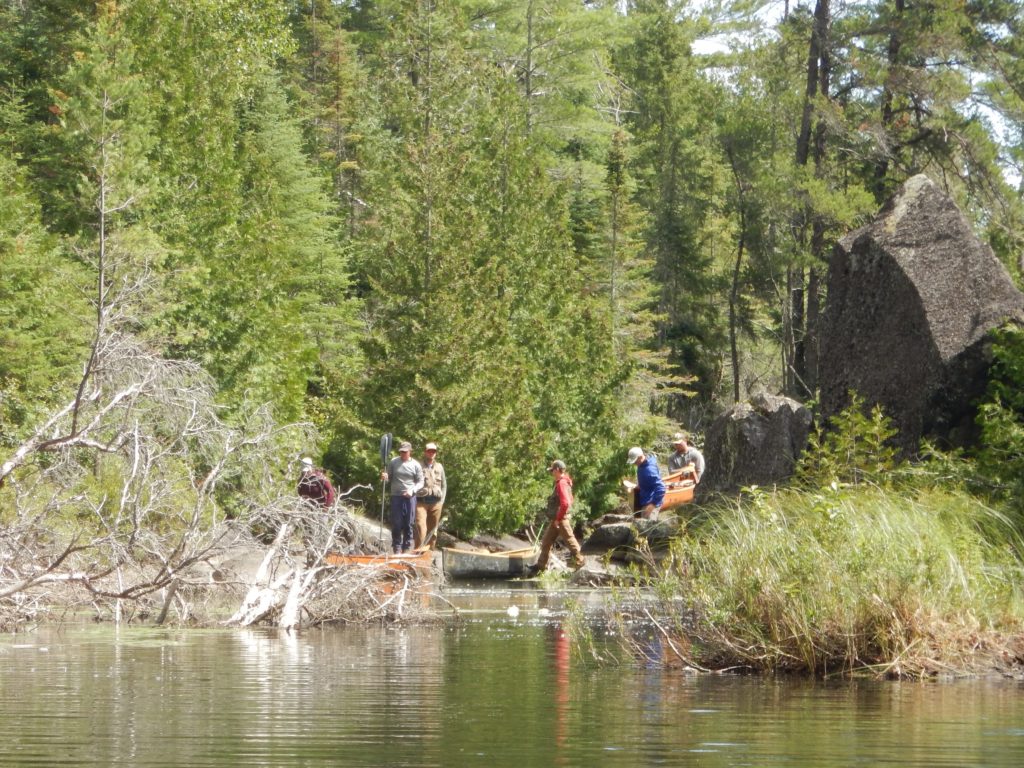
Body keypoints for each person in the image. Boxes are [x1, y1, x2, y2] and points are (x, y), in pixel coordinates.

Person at [531, 460, 585, 574]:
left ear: (556, 470)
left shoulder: (561, 483)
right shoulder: (564, 482)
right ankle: (540, 567)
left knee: (570, 541)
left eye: (552, 471)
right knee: (546, 541)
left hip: (560, 519)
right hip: (557, 519)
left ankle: (581, 563)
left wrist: (558, 519)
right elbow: (571, 499)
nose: (551, 473)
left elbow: (565, 503)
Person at [381, 441, 424, 554]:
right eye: (401, 452)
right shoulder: (394, 462)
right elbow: (388, 477)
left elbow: (421, 482)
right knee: (396, 523)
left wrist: (412, 490)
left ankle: (406, 548)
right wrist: (385, 477)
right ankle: (397, 548)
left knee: (408, 523)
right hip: (396, 496)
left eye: (405, 452)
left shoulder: (416, 465)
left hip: (410, 497)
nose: (403, 454)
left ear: (410, 452)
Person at [414, 442, 446, 550]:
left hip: (436, 503)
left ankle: (429, 554)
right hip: (420, 502)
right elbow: (413, 482)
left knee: (433, 531)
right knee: (420, 528)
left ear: (436, 453)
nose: (431, 453)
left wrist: (441, 502)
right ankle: (417, 552)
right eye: (429, 451)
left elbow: (444, 486)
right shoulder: (418, 465)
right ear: (425, 452)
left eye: (433, 451)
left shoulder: (440, 467)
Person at [627, 446, 666, 520]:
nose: (634, 463)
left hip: (651, 503)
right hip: (644, 499)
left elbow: (661, 488)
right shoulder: (641, 465)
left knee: (648, 529)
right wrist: (638, 486)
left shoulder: (650, 470)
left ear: (640, 457)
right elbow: (647, 481)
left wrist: (652, 504)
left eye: (635, 461)